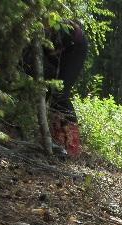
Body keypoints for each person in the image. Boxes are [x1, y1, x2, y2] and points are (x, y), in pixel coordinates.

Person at [41, 19, 88, 156]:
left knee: (61, 94)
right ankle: (57, 139)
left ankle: (73, 144)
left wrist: (55, 52)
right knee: (49, 93)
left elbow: (68, 39)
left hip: (76, 48)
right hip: (60, 51)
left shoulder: (56, 21)